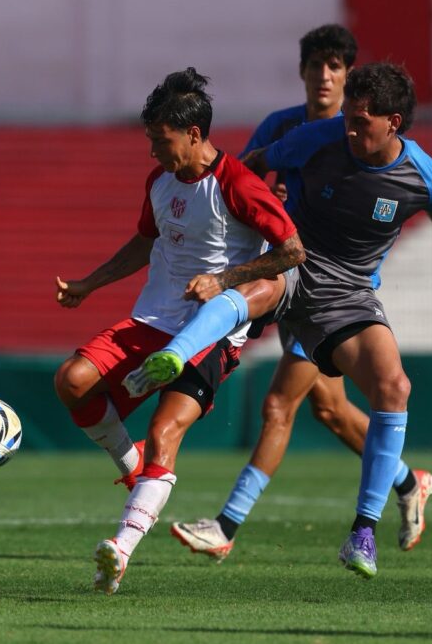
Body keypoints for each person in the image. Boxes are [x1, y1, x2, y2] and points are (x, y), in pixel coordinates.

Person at [166, 25, 432, 563]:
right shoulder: (285, 127)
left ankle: (226, 525)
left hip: (330, 293)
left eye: (336, 66)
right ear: (304, 72)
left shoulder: (367, 136)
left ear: (350, 79)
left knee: (277, 405)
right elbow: (243, 181)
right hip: (287, 271)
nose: (325, 75)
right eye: (316, 64)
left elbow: (431, 194)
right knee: (331, 412)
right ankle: (408, 483)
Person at [231, 61, 432, 579]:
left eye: (361, 122)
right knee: (291, 398)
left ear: (394, 123)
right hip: (290, 273)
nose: (350, 129)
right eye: (348, 120)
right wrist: (264, 202)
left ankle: (361, 531)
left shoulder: (424, 175)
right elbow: (253, 165)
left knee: (390, 388)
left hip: (347, 296)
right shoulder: (319, 137)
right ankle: (182, 490)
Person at [52, 68, 304, 595]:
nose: (152, 152)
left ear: (193, 134)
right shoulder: (159, 182)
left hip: (213, 336)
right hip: (152, 319)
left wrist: (225, 280)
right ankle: (131, 465)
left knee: (166, 431)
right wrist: (90, 284)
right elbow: (146, 242)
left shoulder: (238, 183)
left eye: (159, 140)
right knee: (72, 381)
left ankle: (119, 551)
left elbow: (291, 252)